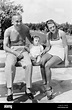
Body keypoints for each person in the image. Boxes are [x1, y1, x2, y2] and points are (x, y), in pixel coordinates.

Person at [3, 13, 34, 101]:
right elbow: (5, 47)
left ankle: (28, 89)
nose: (19, 23)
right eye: (17, 21)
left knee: (29, 65)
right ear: (12, 22)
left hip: (23, 49)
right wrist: (15, 53)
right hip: (11, 50)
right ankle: (10, 90)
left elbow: (31, 41)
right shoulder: (8, 31)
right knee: (9, 66)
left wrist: (33, 50)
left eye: (20, 21)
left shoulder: (25, 28)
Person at [40, 19, 69, 100]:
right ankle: (44, 82)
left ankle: (48, 87)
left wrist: (66, 59)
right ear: (48, 29)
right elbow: (48, 47)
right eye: (50, 28)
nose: (52, 29)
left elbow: (66, 46)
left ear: (56, 26)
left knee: (47, 65)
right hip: (52, 50)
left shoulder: (61, 33)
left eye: (53, 27)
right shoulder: (48, 35)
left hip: (60, 52)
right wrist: (43, 51)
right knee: (41, 61)